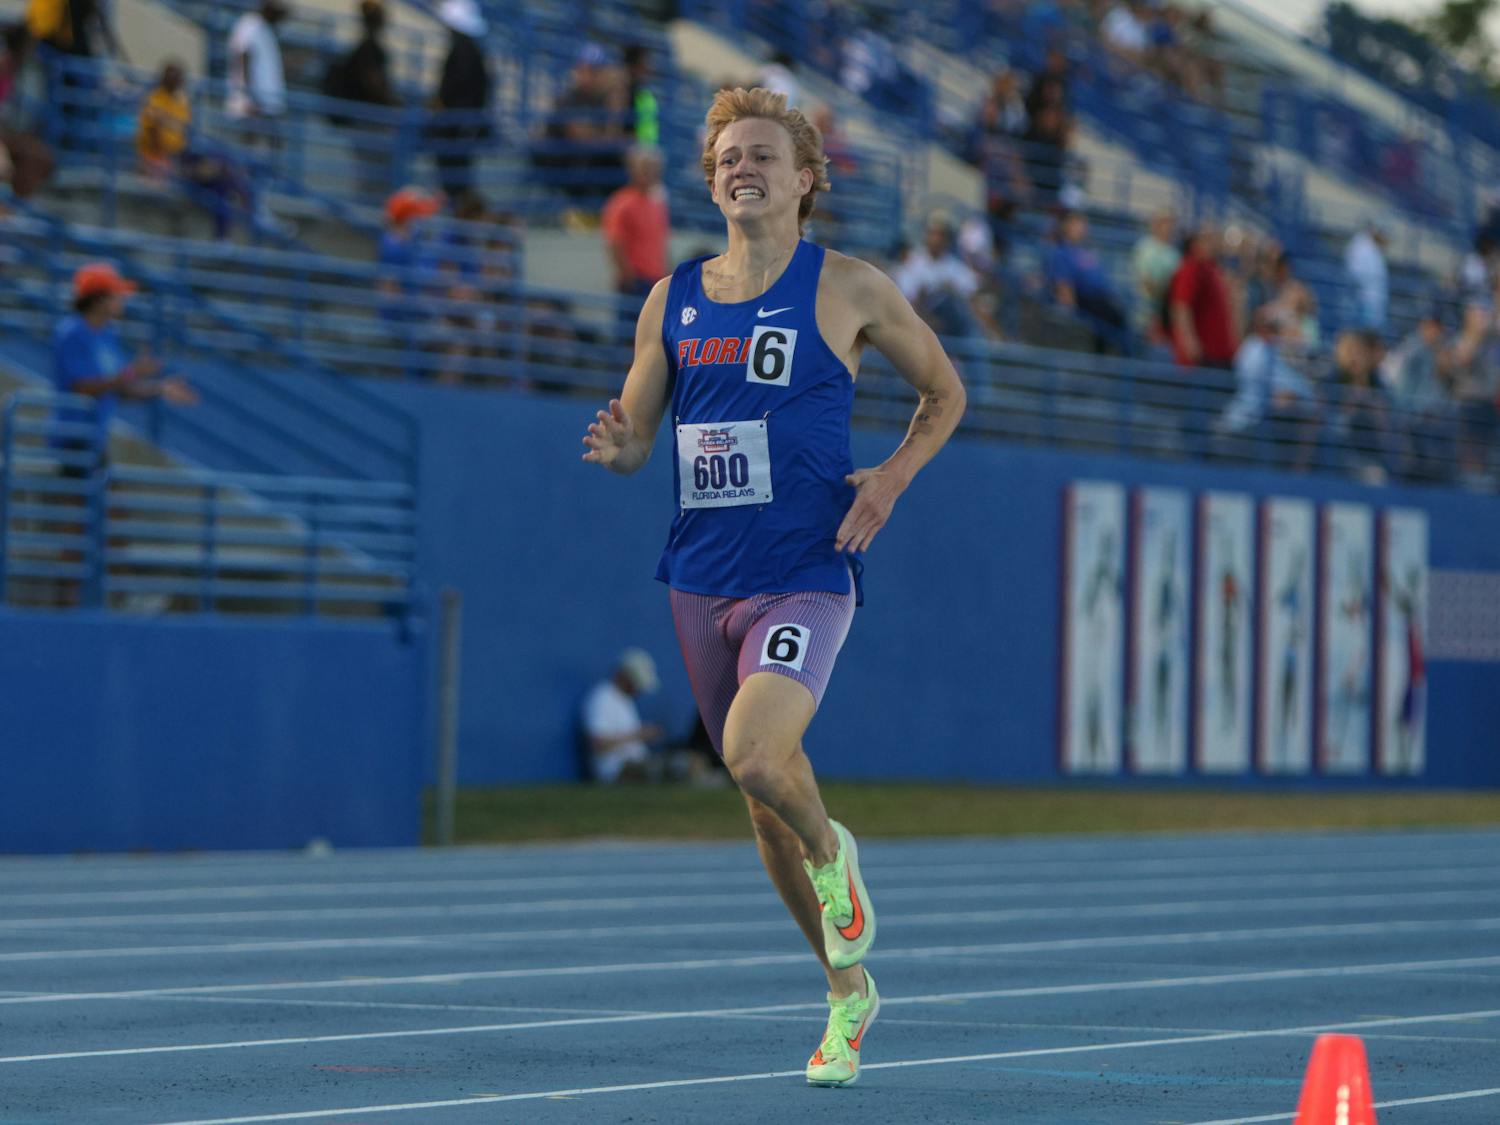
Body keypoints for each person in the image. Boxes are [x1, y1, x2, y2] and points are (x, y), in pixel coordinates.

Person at [581, 86, 966, 1088]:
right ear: (710, 183)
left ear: (805, 178)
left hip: (806, 569)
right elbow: (636, 443)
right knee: (758, 806)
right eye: (724, 158)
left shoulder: (849, 287)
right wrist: (621, 447)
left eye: (761, 153)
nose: (739, 166)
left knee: (754, 757)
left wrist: (889, 477)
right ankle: (846, 991)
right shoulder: (672, 299)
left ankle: (833, 853)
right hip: (701, 578)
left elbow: (945, 390)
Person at [894, 211, 1002, 339]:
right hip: (920, 323)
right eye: (932, 233)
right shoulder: (912, 262)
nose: (936, 239)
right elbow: (908, 300)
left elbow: (972, 299)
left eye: (940, 235)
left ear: (947, 239)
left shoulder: (956, 268)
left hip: (952, 328)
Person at [601, 145, 669, 341]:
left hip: (656, 281)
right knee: (631, 339)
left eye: (653, 167)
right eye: (645, 167)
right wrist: (627, 276)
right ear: (632, 169)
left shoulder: (658, 202)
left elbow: (661, 241)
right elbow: (614, 241)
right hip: (636, 282)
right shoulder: (622, 203)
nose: (650, 173)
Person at [431, 0, 490, 200]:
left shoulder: (463, 50)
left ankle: (458, 204)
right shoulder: (470, 49)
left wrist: (448, 110)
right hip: (460, 121)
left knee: (455, 168)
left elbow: (458, 86)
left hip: (456, 123)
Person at [1046, 209, 1127, 349]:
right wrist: (1069, 305)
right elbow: (1063, 285)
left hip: (1101, 298)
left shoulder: (1087, 251)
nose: (1081, 229)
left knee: (1119, 313)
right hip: (1084, 300)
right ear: (1067, 227)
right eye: (1076, 225)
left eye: (1082, 225)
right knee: (1107, 317)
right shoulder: (1062, 252)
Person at [580, 648, 664, 783]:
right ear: (625, 677)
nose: (638, 690)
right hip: (616, 771)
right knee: (675, 768)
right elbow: (598, 744)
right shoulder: (602, 697)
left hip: (637, 764)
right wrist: (639, 734)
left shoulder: (625, 700)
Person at [1168, 224, 1238, 369]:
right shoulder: (1190, 269)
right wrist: (1190, 345)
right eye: (1207, 239)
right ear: (1195, 245)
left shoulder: (1212, 269)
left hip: (1221, 354)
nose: (1213, 243)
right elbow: (1181, 308)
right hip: (1204, 357)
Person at [227, 1, 288, 130]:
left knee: (270, 142)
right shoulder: (250, 24)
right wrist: (250, 95)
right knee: (250, 142)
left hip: (268, 101)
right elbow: (244, 57)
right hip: (254, 101)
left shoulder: (266, 28)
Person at [1129, 209, 1179, 341]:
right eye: (1164, 223)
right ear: (1155, 225)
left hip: (1169, 310)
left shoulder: (1174, 253)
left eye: (1171, 224)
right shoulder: (1145, 247)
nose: (1168, 228)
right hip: (1147, 312)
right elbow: (1146, 282)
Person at [1344, 218, 1389, 334]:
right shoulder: (1360, 246)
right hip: (1363, 300)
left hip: (1372, 301)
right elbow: (1355, 274)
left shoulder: (1372, 247)